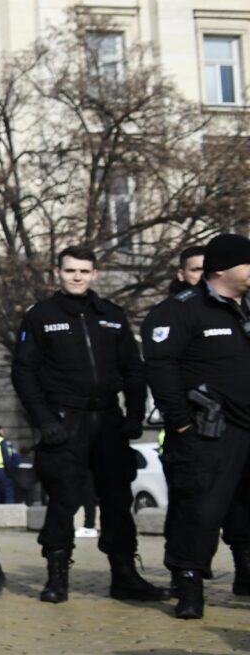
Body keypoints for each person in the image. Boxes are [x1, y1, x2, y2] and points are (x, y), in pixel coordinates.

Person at [12, 246, 167, 604]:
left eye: (84, 271)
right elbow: (24, 373)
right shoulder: (41, 316)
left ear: (95, 274)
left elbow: (133, 369)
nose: (77, 277)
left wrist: (133, 415)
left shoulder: (111, 315)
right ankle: (56, 577)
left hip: (108, 420)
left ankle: (125, 574)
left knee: (116, 498)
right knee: (64, 499)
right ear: (57, 273)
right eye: (70, 271)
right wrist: (44, 420)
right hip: (64, 420)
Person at [141, 232, 250, 620]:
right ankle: (189, 585)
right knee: (200, 511)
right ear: (222, 269)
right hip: (208, 431)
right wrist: (181, 424)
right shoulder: (180, 310)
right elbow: (160, 367)